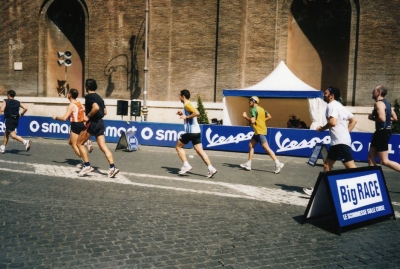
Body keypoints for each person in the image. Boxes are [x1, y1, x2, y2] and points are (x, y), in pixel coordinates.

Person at [303, 87, 357, 196]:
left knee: (350, 167)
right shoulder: (339, 105)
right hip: (338, 141)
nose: (324, 95)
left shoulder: (331, 105)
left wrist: (322, 128)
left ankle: (366, 184)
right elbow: (354, 120)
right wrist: (346, 133)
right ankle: (320, 190)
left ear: (331, 95)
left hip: (340, 141)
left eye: (326, 93)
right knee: (327, 165)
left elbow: (333, 122)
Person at [76, 79, 119, 178]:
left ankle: (87, 165)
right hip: (100, 122)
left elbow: (96, 108)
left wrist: (88, 116)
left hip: (93, 123)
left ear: (87, 86)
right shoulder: (99, 97)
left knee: (79, 143)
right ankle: (112, 167)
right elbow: (105, 112)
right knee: (103, 146)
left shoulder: (89, 97)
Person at [175, 89, 217, 178]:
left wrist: (186, 116)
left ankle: (186, 165)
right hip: (196, 132)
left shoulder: (187, 104)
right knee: (199, 151)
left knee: (178, 147)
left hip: (190, 132)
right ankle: (211, 168)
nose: (179, 98)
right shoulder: (188, 104)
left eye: (180, 96)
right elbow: (191, 114)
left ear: (183, 96)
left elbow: (197, 113)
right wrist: (182, 114)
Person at [240, 96, 284, 173]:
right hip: (259, 131)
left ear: (254, 101)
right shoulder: (262, 109)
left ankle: (278, 163)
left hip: (259, 131)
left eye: (250, 101)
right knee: (251, 145)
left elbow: (252, 121)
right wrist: (261, 121)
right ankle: (249, 163)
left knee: (266, 148)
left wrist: (245, 116)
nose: (249, 102)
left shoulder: (253, 110)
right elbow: (269, 117)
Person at [52, 88, 94, 167]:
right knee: (71, 142)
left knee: (75, 144)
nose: (67, 94)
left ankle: (85, 162)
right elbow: (82, 112)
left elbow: (64, 118)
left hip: (75, 125)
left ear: (70, 95)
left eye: (68, 93)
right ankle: (86, 143)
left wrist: (56, 118)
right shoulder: (79, 103)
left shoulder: (71, 105)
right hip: (81, 124)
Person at [367, 85, 400, 172]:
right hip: (382, 131)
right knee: (371, 158)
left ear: (379, 92)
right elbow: (395, 118)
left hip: (382, 132)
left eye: (374, 90)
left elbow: (382, 118)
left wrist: (372, 118)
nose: (372, 92)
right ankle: (373, 177)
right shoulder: (387, 104)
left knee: (384, 161)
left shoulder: (379, 104)